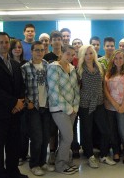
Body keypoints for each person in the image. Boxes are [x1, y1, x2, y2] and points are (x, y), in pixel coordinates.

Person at [0, 32, 28, 178]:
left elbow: (21, 86)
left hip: (15, 112)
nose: (4, 45)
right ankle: (0, 175)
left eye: (6, 42)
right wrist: (14, 102)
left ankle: (13, 172)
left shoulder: (15, 64)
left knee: (13, 146)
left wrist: (20, 102)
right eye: (1, 42)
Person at [77, 45, 116, 168]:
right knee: (87, 132)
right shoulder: (79, 69)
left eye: (91, 53)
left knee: (105, 130)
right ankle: (90, 156)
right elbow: (77, 88)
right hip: (85, 104)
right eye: (86, 54)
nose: (89, 56)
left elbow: (103, 84)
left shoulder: (100, 66)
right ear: (82, 56)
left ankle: (104, 155)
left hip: (99, 103)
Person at [21, 41, 54, 176]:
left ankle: (42, 162)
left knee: (46, 137)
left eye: (41, 50)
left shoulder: (48, 66)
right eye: (36, 50)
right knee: (37, 138)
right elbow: (21, 88)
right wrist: (27, 101)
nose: (39, 52)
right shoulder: (25, 68)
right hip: (33, 106)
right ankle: (34, 164)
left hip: (46, 106)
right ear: (32, 51)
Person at [47, 45, 80, 175]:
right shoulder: (53, 67)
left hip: (72, 109)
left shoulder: (72, 68)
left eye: (73, 55)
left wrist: (75, 107)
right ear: (61, 53)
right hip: (58, 109)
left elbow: (76, 89)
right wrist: (68, 108)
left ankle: (66, 161)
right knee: (68, 137)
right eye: (68, 54)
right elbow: (54, 91)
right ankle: (60, 165)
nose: (70, 57)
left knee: (64, 137)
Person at [104, 50, 124, 164]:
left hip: (123, 106)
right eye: (116, 58)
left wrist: (121, 105)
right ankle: (116, 151)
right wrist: (114, 104)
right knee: (112, 131)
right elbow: (105, 90)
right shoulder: (108, 73)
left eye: (120, 58)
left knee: (122, 130)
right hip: (109, 106)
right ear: (112, 60)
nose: (118, 60)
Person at [43, 31, 63, 165]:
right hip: (51, 97)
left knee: (66, 128)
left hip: (65, 96)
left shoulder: (66, 54)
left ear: (62, 41)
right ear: (51, 42)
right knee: (52, 128)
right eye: (54, 39)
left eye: (58, 39)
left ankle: (64, 152)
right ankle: (52, 152)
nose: (56, 41)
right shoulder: (46, 56)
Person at [9, 39, 29, 166]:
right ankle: (14, 155)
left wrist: (22, 101)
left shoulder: (26, 63)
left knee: (24, 130)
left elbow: (26, 84)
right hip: (10, 103)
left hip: (23, 101)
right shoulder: (7, 63)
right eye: (15, 47)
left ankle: (23, 154)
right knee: (12, 132)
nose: (17, 49)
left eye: (20, 47)